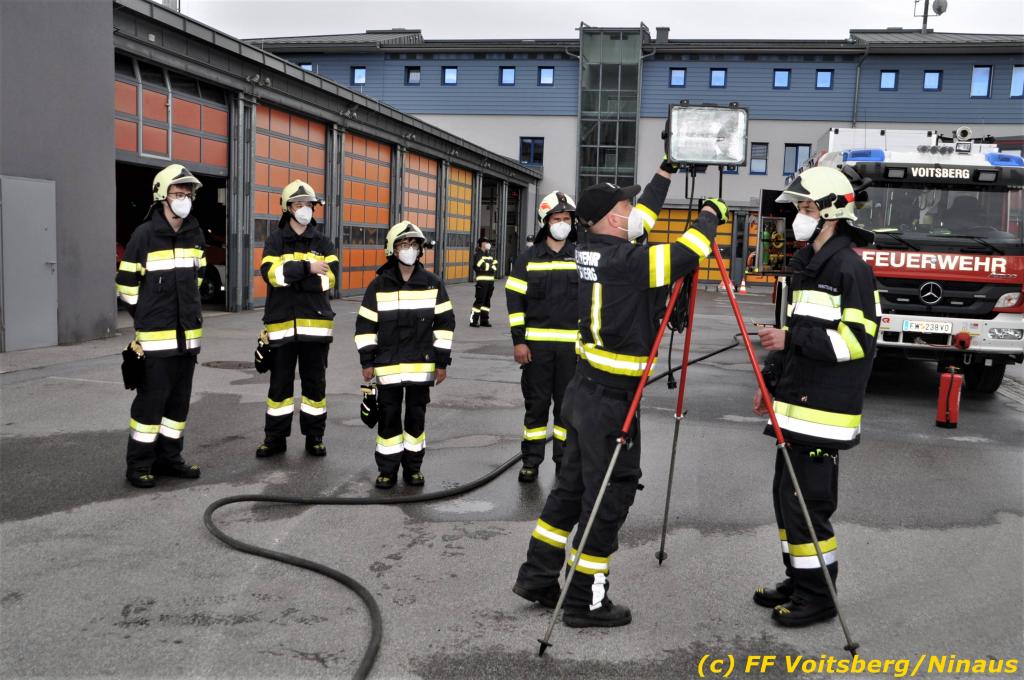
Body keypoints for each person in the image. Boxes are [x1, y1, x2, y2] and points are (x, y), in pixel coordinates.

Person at [512, 158, 723, 627]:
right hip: (610, 402)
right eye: (625, 206)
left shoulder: (593, 248)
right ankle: (585, 600)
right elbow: (688, 252)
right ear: (611, 218)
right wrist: (712, 214)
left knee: (570, 491)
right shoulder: (627, 263)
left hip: (583, 392)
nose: (633, 212)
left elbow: (642, 218)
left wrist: (666, 173)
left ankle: (539, 576)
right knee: (609, 495)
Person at [753, 165, 879, 627]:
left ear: (831, 213)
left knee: (808, 506)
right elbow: (797, 334)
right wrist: (771, 380)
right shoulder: (811, 266)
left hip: (823, 412)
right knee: (787, 500)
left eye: (806, 208)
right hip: (796, 404)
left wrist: (791, 341)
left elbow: (858, 342)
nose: (798, 217)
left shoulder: (850, 269)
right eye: (800, 208)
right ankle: (799, 579)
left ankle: (819, 596)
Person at [115, 164, 206, 488]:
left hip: (188, 341)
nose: (184, 200)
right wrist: (147, 315)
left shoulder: (195, 234)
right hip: (155, 341)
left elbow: (197, 279)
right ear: (161, 197)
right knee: (150, 405)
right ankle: (139, 465)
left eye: (188, 194)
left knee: (178, 406)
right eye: (178, 194)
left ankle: (170, 459)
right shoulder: (144, 235)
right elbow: (126, 285)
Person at [355, 221, 456, 489]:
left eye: (414, 244)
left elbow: (445, 326)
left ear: (421, 249)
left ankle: (413, 468)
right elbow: (365, 326)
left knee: (415, 418)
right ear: (392, 249)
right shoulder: (379, 285)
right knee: (388, 418)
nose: (409, 249)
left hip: (421, 367)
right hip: (387, 367)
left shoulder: (433, 284)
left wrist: (442, 363)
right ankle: (387, 470)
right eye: (403, 244)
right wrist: (367, 361)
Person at [255, 180, 339, 459]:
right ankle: (274, 439)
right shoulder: (275, 240)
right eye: (299, 204)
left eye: (309, 204)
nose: (305, 209)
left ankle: (315, 438)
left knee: (315, 386)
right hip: (281, 327)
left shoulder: (323, 242)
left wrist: (292, 275)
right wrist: (308, 267)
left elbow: (328, 281)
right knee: (279, 387)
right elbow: (272, 276)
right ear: (287, 208)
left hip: (316, 328)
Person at [506, 191, 580, 482]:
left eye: (567, 219)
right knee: (536, 407)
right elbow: (515, 304)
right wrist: (519, 341)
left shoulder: (582, 257)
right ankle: (531, 461)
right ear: (545, 222)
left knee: (567, 410)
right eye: (557, 219)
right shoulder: (527, 259)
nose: (562, 224)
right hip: (536, 350)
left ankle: (564, 463)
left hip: (572, 350)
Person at [470, 237, 498, 327]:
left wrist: (487, 266)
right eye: (486, 242)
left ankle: (484, 320)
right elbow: (479, 266)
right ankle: (473, 321)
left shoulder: (490, 255)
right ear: (481, 244)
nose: (488, 244)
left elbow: (495, 266)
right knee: (479, 301)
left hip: (490, 283)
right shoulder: (477, 255)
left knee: (487, 302)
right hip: (482, 282)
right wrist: (489, 266)